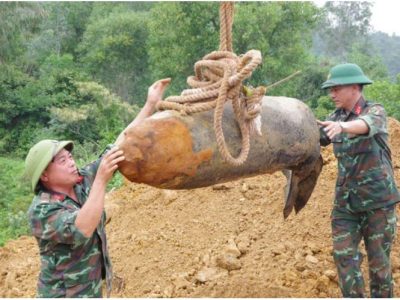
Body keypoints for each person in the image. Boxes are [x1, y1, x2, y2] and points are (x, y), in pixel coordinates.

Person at [24, 78, 171, 297]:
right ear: (44, 174)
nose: (72, 162)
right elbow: (82, 227)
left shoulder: (81, 181)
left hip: (92, 291)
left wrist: (149, 105)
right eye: (62, 161)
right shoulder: (41, 211)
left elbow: (118, 147)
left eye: (70, 157)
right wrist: (101, 180)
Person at [317, 63, 399, 297]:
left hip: (378, 205)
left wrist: (342, 127)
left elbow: (364, 126)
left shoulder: (375, 111)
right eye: (330, 89)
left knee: (380, 267)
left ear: (354, 87)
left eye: (336, 88)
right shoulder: (334, 118)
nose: (331, 94)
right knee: (344, 258)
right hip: (346, 206)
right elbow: (312, 137)